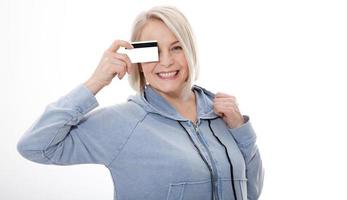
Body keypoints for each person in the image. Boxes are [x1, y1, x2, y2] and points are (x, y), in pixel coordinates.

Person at [17, 5, 264, 200]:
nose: (166, 61)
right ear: (136, 58)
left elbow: (251, 192)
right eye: (153, 50)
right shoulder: (123, 122)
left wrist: (240, 129)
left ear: (190, 51)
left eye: (176, 48)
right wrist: (95, 82)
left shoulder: (220, 113)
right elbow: (35, 146)